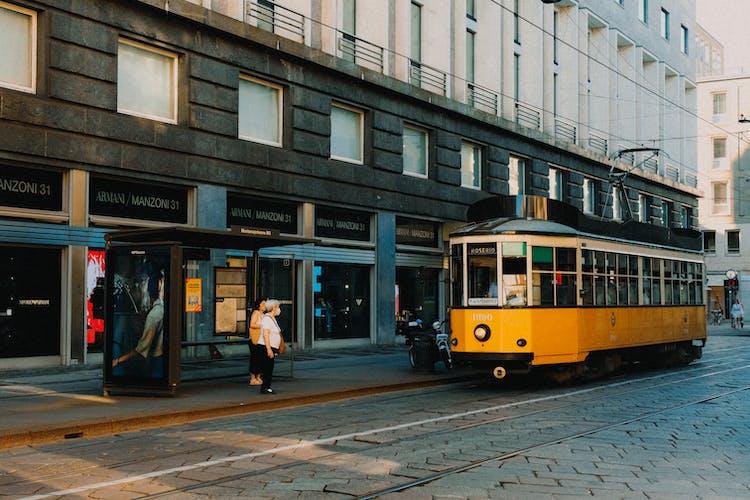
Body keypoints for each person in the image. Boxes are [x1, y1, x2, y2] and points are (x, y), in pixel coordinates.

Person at [112, 269, 165, 378]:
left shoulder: (154, 315)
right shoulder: (160, 310)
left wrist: (117, 361)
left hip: (156, 362)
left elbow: (141, 349)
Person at [258, 299, 283, 394]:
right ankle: (265, 387)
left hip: (271, 347)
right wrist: (269, 349)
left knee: (269, 367)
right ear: (273, 308)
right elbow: (266, 335)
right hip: (266, 347)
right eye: (277, 307)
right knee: (267, 368)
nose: (279, 309)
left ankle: (267, 386)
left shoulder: (272, 318)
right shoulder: (267, 319)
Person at [247, 298, 266, 385]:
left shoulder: (264, 315)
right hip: (255, 340)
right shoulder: (256, 313)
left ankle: (258, 377)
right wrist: (261, 326)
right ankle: (253, 378)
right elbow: (251, 324)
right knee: (255, 358)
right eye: (263, 304)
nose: (264, 306)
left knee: (261, 359)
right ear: (258, 305)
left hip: (261, 340)